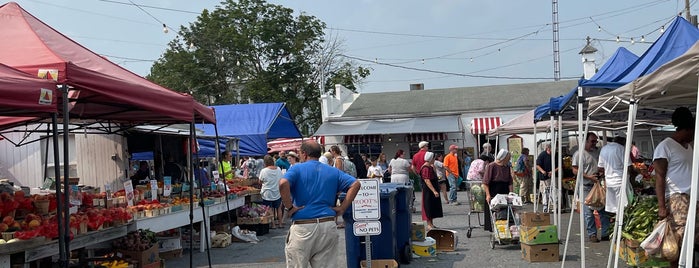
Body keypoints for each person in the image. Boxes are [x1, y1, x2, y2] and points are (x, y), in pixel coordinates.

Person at [279, 140, 360, 268]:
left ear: (304, 154)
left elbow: (283, 183)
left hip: (303, 226)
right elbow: (355, 184)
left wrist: (290, 207)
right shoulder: (332, 171)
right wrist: (342, 208)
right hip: (327, 224)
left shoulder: (297, 169)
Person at [653, 107, 696, 267]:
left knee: (691, 240)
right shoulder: (665, 146)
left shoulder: (688, 147)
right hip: (677, 199)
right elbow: (659, 177)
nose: (693, 136)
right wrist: (661, 207)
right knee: (677, 242)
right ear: (686, 129)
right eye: (692, 131)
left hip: (692, 199)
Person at [572, 133, 610, 243]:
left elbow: (602, 165)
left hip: (598, 184)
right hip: (585, 185)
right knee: (588, 212)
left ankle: (605, 233)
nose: (595, 143)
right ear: (586, 141)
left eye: (596, 141)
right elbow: (574, 170)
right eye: (592, 141)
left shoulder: (598, 152)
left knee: (603, 210)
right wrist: (588, 177)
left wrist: (601, 173)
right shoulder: (579, 154)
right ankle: (592, 234)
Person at [598, 134, 634, 216]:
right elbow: (629, 167)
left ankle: (614, 226)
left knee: (613, 209)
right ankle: (621, 226)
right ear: (623, 141)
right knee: (623, 208)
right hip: (620, 182)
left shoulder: (604, 149)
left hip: (609, 183)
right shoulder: (621, 149)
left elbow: (600, 167)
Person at [482, 149, 514, 232]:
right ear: (503, 158)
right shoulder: (491, 166)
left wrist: (511, 193)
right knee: (495, 211)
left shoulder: (507, 167)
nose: (509, 159)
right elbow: (485, 182)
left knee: (505, 211)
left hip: (504, 189)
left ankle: (505, 228)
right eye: (508, 158)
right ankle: (495, 229)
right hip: (494, 190)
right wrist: (488, 195)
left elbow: (510, 182)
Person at [419, 152, 443, 230]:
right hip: (428, 190)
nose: (434, 159)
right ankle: (429, 224)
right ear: (430, 159)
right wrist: (434, 191)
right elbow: (427, 180)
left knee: (432, 206)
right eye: (433, 158)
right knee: (428, 206)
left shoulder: (430, 167)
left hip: (431, 189)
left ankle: (431, 224)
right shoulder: (425, 168)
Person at [259, 155, 284, 229]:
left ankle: (273, 224)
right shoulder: (279, 169)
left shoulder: (264, 171)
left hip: (267, 192)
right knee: (278, 208)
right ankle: (280, 223)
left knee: (269, 209)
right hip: (277, 191)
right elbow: (281, 179)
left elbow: (260, 181)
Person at [536, 143, 555, 213]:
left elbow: (559, 166)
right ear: (548, 149)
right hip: (544, 177)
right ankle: (545, 206)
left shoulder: (555, 155)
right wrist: (543, 171)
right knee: (544, 192)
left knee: (552, 191)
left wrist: (552, 171)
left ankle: (552, 206)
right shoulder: (542, 155)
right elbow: (537, 165)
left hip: (552, 177)